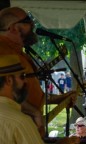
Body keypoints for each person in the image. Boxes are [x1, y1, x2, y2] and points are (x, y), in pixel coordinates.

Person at [0, 7, 77, 136]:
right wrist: (34, 112)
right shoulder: (3, 52)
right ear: (13, 27)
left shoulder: (20, 52)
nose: (33, 24)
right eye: (27, 20)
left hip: (28, 128)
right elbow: (4, 95)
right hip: (13, 131)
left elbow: (25, 93)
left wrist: (59, 99)